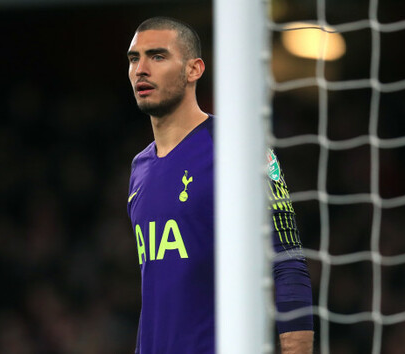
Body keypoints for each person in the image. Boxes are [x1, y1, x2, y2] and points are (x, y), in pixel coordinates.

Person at [126, 16, 314, 354]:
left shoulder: (243, 147)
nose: (140, 69)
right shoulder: (139, 169)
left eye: (157, 56)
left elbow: (288, 262)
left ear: (193, 69)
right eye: (133, 58)